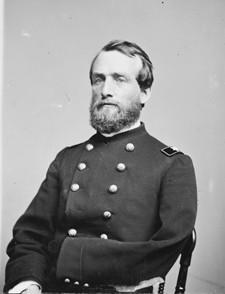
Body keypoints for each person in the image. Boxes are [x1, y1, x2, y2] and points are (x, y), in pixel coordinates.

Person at [4, 40, 197, 293]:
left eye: (119, 79)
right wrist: (27, 282)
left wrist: (74, 256)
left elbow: (166, 246)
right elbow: (30, 236)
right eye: (98, 79)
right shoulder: (66, 159)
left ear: (144, 92)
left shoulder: (172, 164)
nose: (106, 89)